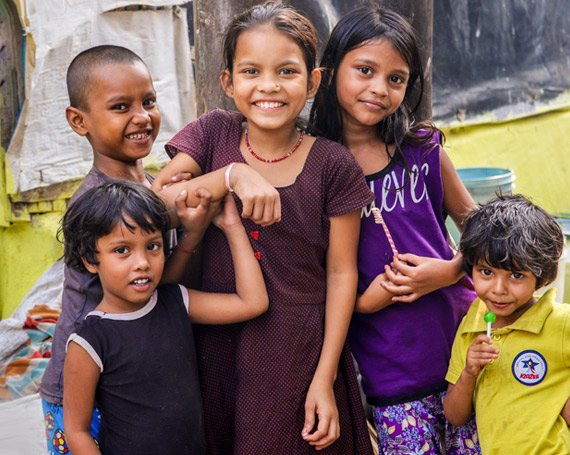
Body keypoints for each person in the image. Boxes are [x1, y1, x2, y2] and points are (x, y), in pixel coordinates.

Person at [151, 2, 375, 453]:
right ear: (228, 82)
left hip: (296, 353)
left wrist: (325, 376)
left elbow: (341, 273)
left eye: (286, 71)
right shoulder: (213, 134)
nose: (268, 86)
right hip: (217, 345)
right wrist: (231, 175)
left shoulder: (333, 165)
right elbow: (157, 206)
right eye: (251, 71)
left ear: (313, 82)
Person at [40, 44, 277, 455]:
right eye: (120, 106)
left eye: (148, 101)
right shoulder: (97, 200)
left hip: (138, 373)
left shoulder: (150, 185)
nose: (141, 116)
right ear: (79, 121)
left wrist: (192, 236)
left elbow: (164, 284)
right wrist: (236, 174)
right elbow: (170, 203)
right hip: (84, 381)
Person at [309, 6, 481, 454]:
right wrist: (367, 301)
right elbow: (315, 277)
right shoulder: (314, 167)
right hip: (393, 374)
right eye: (364, 70)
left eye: (396, 78)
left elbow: (482, 231)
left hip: (466, 354)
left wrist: (450, 270)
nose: (379, 89)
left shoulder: (423, 149)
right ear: (331, 71)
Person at [61, 181, 268, 454]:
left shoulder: (175, 301)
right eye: (122, 250)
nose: (142, 263)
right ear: (90, 259)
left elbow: (252, 303)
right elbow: (77, 430)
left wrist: (233, 227)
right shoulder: (89, 341)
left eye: (153, 246)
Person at [443, 194, 570, 454]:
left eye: (516, 275)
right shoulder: (471, 327)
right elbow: (455, 416)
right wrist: (469, 373)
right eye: (486, 272)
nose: (499, 289)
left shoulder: (559, 322)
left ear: (542, 276)